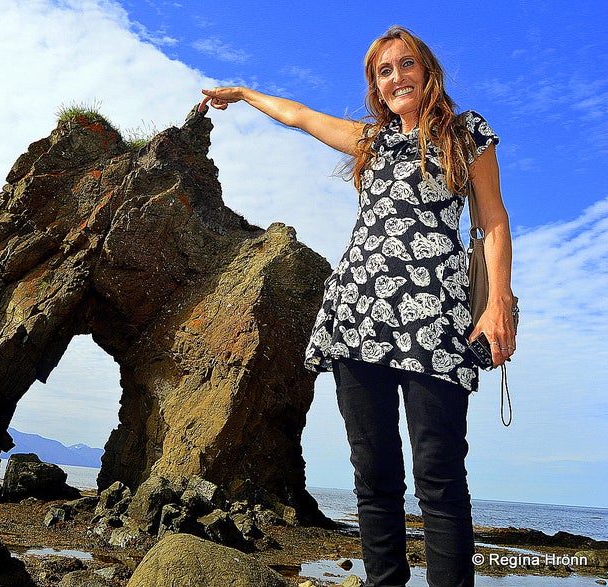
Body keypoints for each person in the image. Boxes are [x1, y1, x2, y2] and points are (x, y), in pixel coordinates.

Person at [199, 25, 515, 587]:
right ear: (376, 86)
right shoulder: (369, 142)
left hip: (435, 325)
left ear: (428, 70)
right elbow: (298, 115)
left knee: (439, 477)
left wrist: (497, 305)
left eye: (407, 64)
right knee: (374, 478)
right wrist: (244, 94)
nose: (398, 77)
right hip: (358, 319)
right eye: (384, 71)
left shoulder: (466, 134)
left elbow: (492, 220)